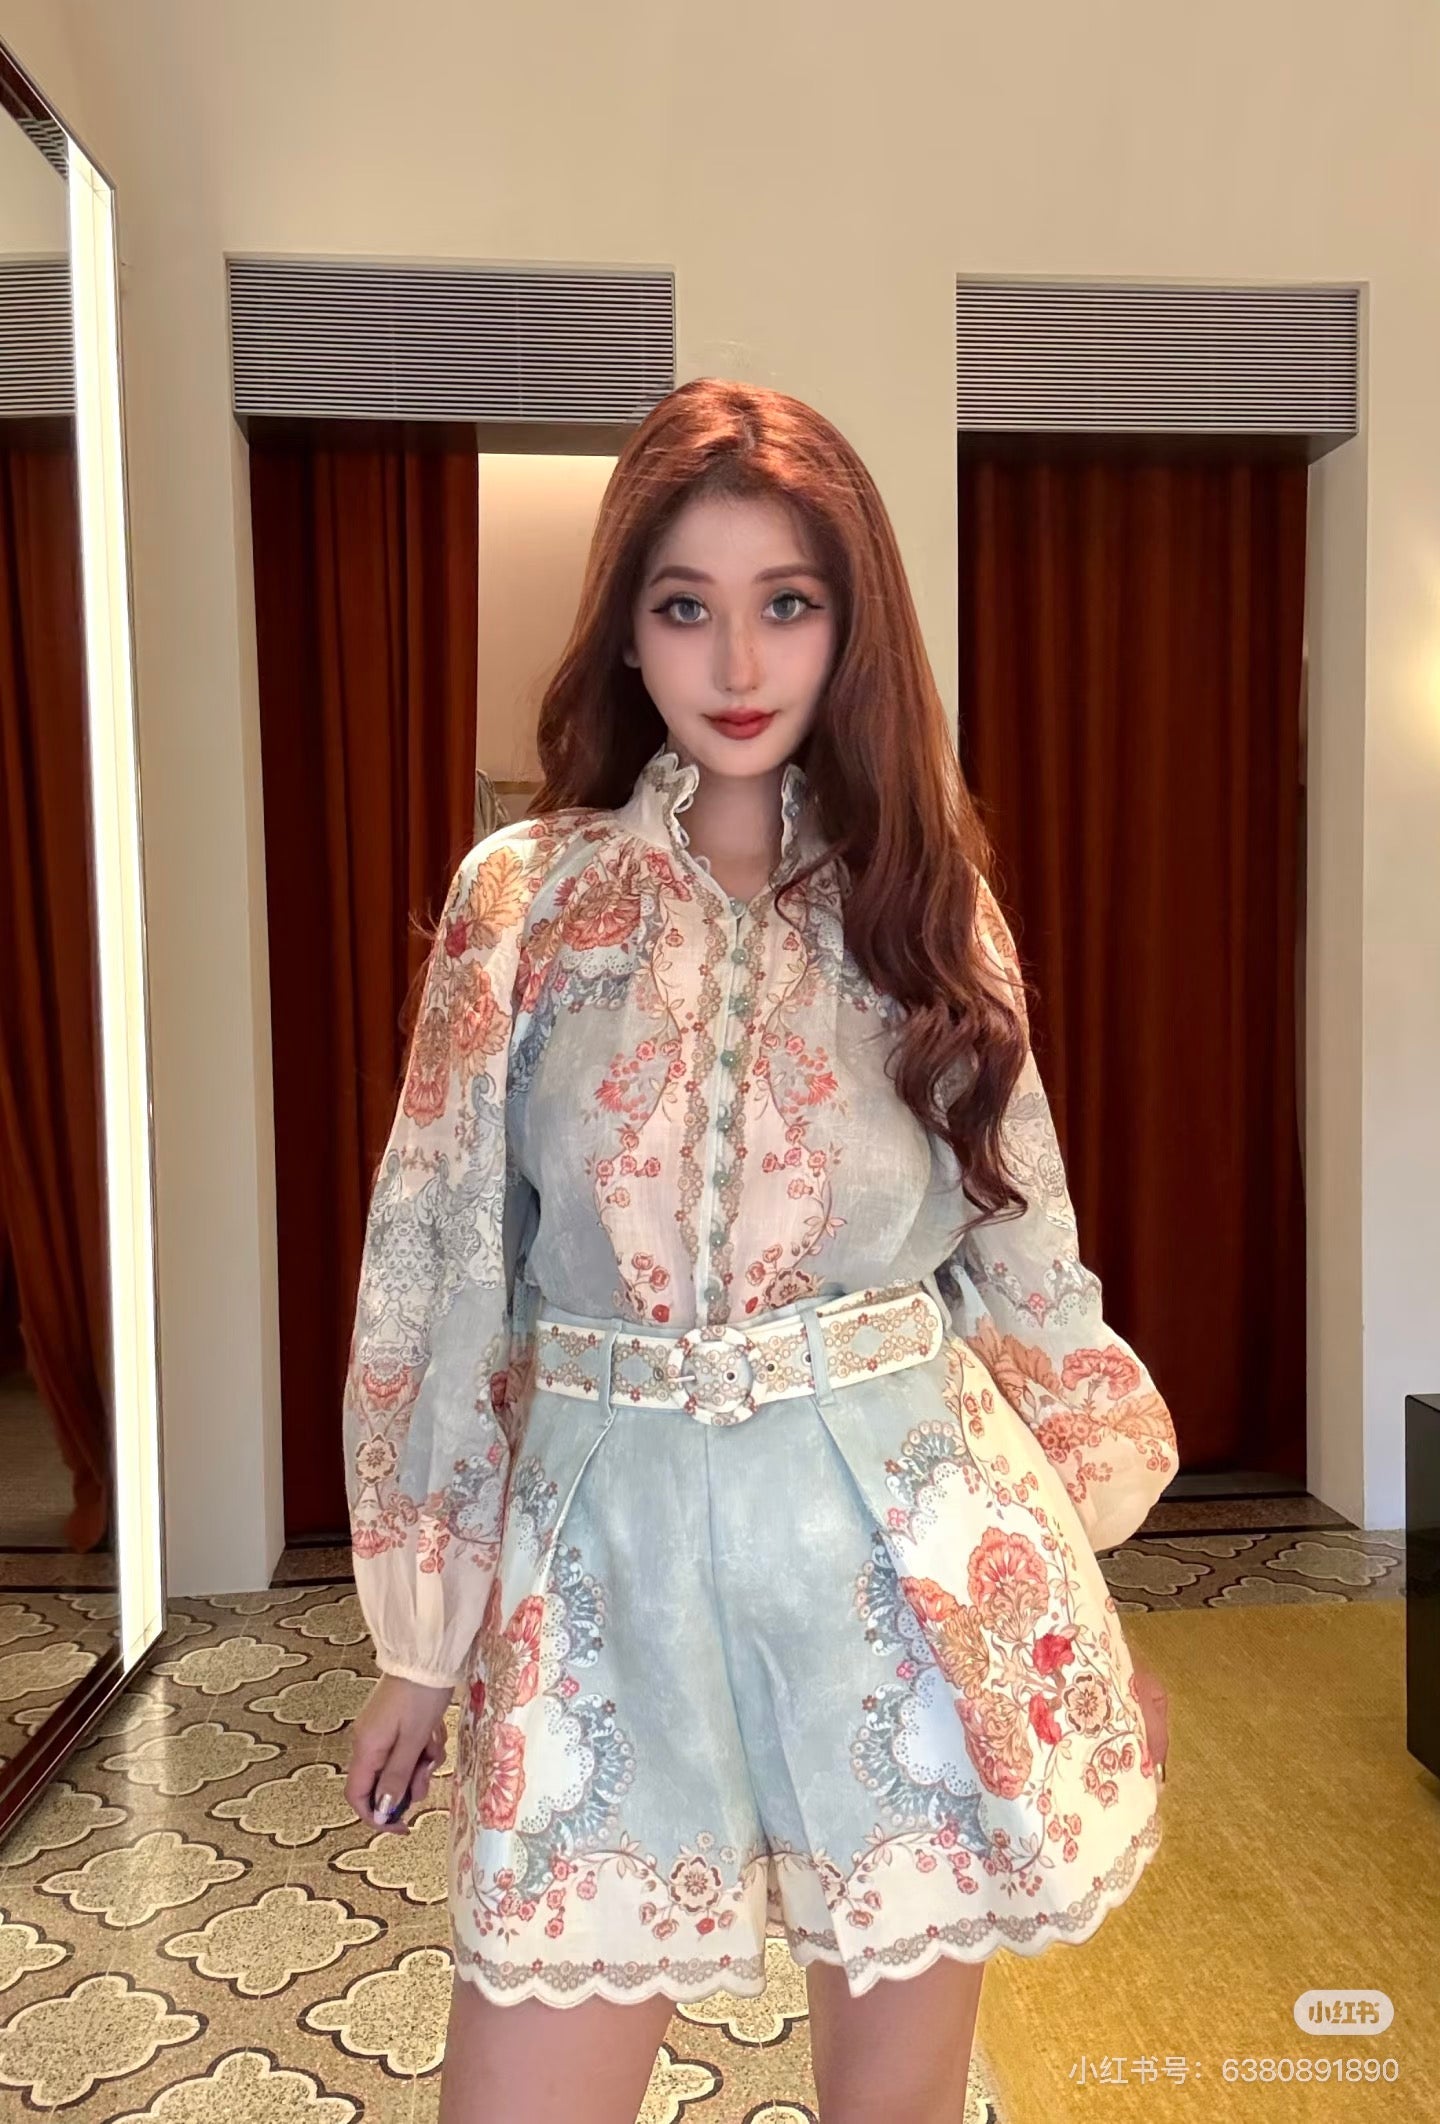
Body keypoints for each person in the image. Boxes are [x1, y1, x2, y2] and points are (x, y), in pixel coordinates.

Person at [341, 377, 1180, 2124]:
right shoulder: (524, 902)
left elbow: (1024, 1258)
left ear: (849, 625)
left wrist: (1085, 1602)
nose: (737, 660)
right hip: (604, 1571)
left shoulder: (926, 910)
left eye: (785, 602)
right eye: (686, 605)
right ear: (625, 631)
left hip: (903, 1562)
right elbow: (440, 1258)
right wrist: (422, 1637)